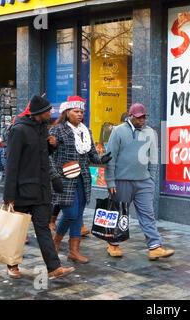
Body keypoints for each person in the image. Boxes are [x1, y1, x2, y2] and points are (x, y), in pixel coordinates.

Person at [3, 94, 75, 279]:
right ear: (39, 113)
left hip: (42, 190)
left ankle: (54, 267)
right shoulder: (18, 130)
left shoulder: (43, 129)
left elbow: (42, 157)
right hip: (22, 191)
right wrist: (9, 194)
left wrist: (51, 145)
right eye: (48, 110)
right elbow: (12, 164)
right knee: (18, 230)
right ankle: (12, 265)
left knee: (43, 228)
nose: (51, 112)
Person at [104, 102, 174, 261]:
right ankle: (113, 244)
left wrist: (152, 180)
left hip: (144, 182)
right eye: (138, 117)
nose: (142, 120)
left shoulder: (151, 132)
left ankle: (155, 247)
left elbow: (154, 158)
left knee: (148, 214)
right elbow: (110, 158)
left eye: (144, 117)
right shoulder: (118, 131)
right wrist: (110, 182)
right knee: (120, 213)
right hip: (121, 181)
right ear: (130, 116)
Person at [50, 96, 112, 264]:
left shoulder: (86, 131)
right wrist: (55, 175)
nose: (79, 114)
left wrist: (106, 157)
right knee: (71, 213)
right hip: (64, 179)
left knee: (78, 213)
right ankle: (56, 241)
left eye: (81, 112)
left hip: (83, 178)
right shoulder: (58, 130)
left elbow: (92, 155)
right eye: (76, 111)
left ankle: (74, 250)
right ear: (67, 112)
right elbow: (49, 155)